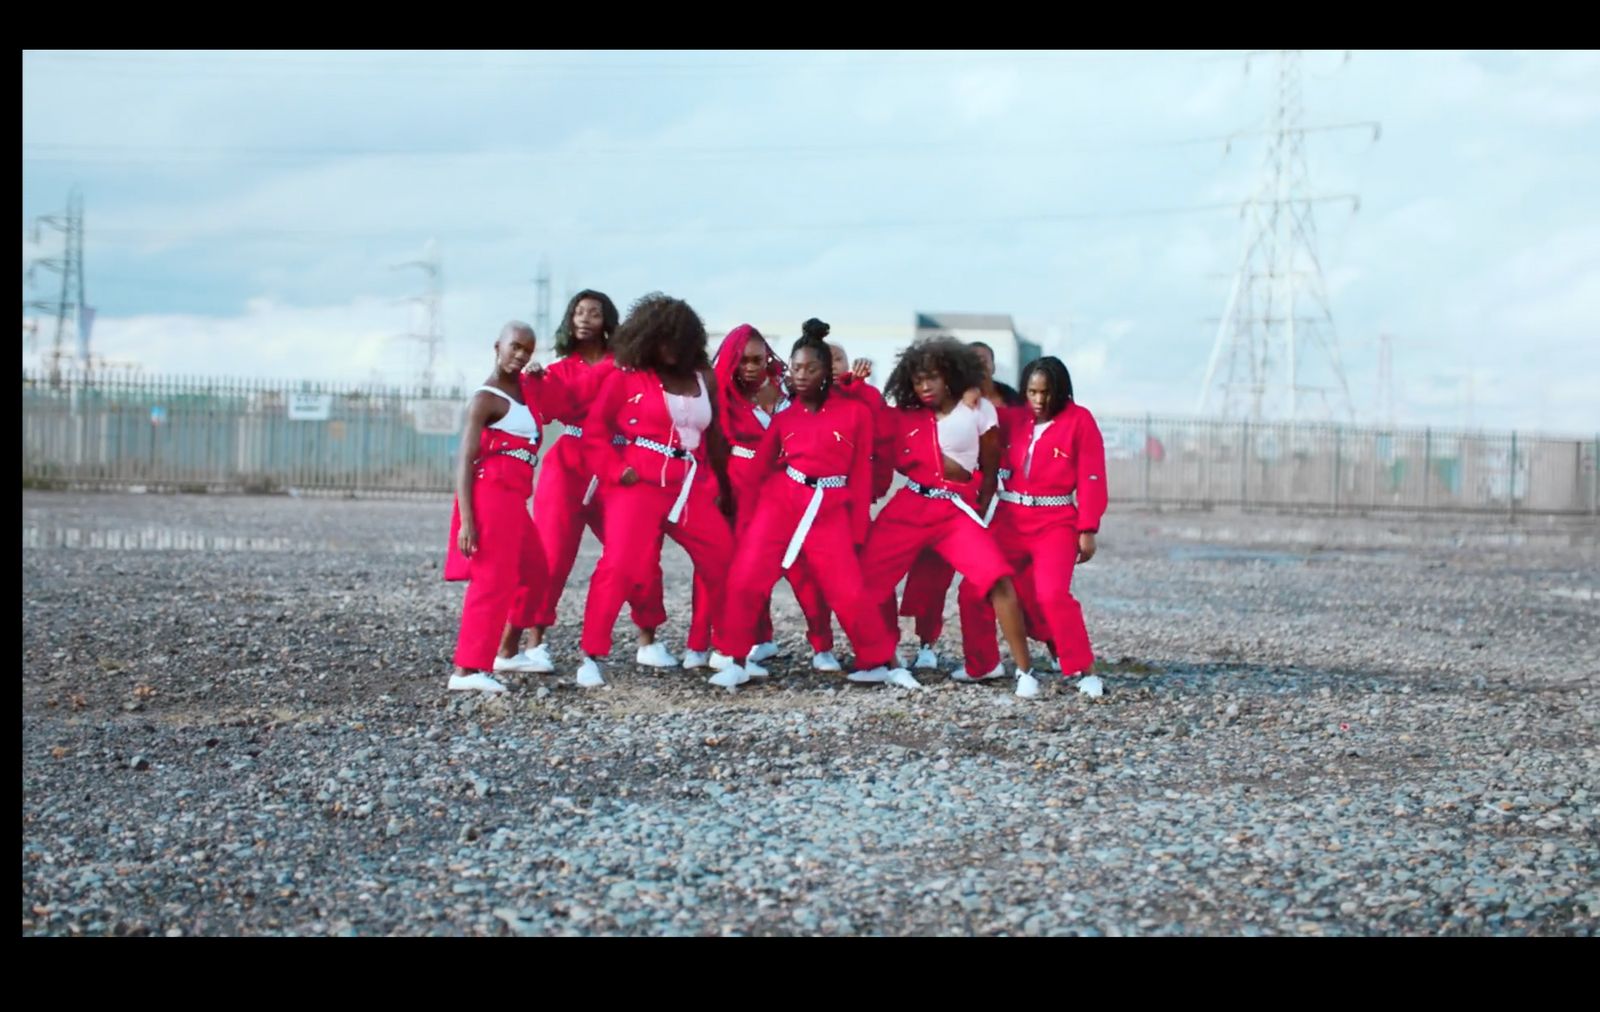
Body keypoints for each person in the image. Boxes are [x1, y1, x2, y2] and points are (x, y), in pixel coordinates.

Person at [717, 326, 907, 686]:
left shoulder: (855, 413)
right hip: (780, 501)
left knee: (848, 590)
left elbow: (862, 475)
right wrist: (747, 522)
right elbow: (759, 470)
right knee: (747, 576)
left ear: (826, 373)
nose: (801, 376)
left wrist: (857, 527)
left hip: (830, 507)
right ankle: (734, 659)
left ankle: (877, 661)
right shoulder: (785, 417)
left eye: (810, 369)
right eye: (795, 368)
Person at [573, 293, 743, 688]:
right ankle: (591, 656)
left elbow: (716, 437)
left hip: (689, 485)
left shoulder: (703, 377)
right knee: (621, 566)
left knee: (723, 558)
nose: (668, 348)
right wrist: (616, 471)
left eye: (676, 339)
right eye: (661, 338)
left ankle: (732, 652)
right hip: (638, 484)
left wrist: (725, 488)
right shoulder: (626, 375)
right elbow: (595, 432)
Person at [854, 337, 1038, 692]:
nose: (924, 386)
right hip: (909, 506)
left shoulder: (978, 408)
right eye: (918, 379)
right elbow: (867, 417)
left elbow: (990, 463)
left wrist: (979, 509)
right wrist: (855, 382)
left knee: (996, 577)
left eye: (932, 378)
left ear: (949, 376)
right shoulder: (905, 414)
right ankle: (888, 662)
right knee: (869, 578)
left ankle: (1023, 672)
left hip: (954, 509)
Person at [515, 290, 673, 674]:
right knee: (551, 557)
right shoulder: (558, 369)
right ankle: (535, 643)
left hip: (618, 465)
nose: (585, 318)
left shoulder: (626, 365)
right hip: (568, 464)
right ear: (570, 320)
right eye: (579, 312)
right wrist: (536, 381)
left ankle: (647, 637)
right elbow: (549, 411)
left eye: (595, 313)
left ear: (608, 321)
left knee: (639, 552)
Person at [955, 356, 1107, 698]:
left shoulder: (1080, 421)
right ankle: (982, 663)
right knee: (972, 588)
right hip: (1009, 519)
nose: (1039, 401)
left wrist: (1088, 528)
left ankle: (1083, 669)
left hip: (1055, 522)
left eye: (1046, 393)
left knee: (1051, 594)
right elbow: (979, 419)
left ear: (1061, 391)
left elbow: (1092, 476)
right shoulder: (1014, 418)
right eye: (1032, 392)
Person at [443, 322, 559, 694]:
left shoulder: (524, 389)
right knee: (492, 582)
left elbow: (543, 400)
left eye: (528, 349)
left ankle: (507, 652)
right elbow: (464, 460)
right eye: (515, 347)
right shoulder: (486, 398)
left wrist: (538, 377)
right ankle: (467, 670)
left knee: (537, 572)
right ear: (498, 346)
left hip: (515, 500)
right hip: (492, 496)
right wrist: (466, 521)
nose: (521, 355)